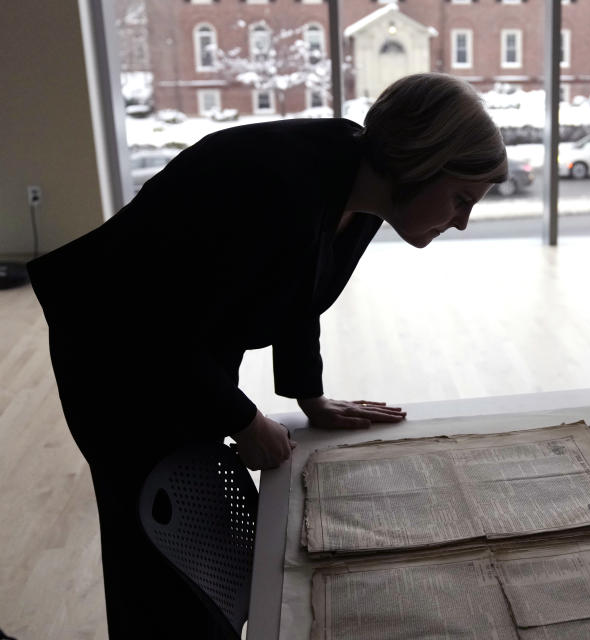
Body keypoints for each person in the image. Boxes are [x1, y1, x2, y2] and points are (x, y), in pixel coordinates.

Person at [28, 73, 507, 639]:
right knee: (156, 548)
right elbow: (158, 325)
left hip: (187, 343)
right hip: (116, 353)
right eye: (460, 198)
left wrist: (310, 397)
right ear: (422, 161)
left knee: (201, 536)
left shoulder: (362, 191)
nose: (461, 220)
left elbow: (301, 293)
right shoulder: (276, 182)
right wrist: (242, 418)